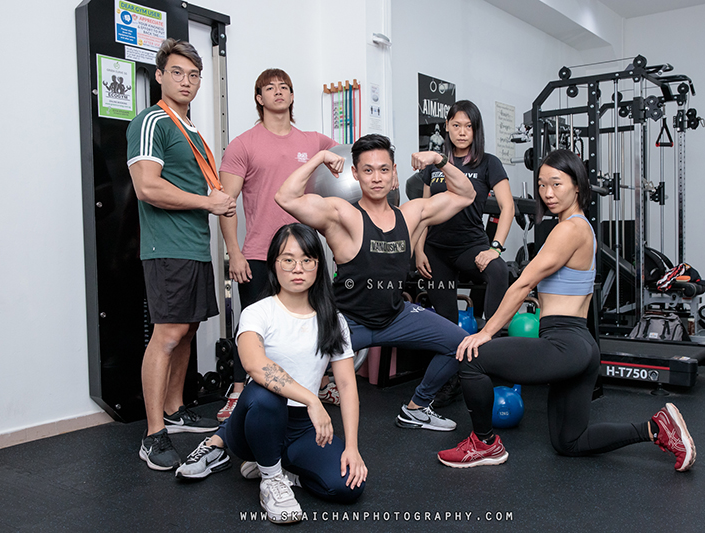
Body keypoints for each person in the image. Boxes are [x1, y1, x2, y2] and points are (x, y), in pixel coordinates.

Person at [437, 149, 696, 472]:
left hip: (564, 343)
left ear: (577, 185)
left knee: (472, 358)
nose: (547, 193)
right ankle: (657, 428)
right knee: (569, 442)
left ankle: (484, 444)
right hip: (580, 346)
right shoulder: (579, 227)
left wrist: (485, 332)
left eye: (556, 184)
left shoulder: (569, 229)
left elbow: (521, 285)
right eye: (542, 185)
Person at [275, 134, 476, 431]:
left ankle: (417, 408)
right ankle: (244, 439)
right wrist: (319, 158)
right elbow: (286, 198)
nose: (377, 178)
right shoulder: (342, 214)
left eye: (384, 169)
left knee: (460, 343)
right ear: (355, 174)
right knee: (284, 367)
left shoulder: (411, 214)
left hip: (395, 316)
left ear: (394, 172)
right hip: (347, 322)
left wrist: (440, 160)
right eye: (368, 170)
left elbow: (466, 195)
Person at [175, 224, 366, 524]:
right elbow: (254, 364)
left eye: (307, 259)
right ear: (274, 265)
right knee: (266, 393)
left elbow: (346, 385)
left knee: (349, 486)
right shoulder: (258, 312)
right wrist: (313, 400)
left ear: (318, 264)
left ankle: (283, 471)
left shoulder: (333, 320)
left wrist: (353, 448)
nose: (297, 268)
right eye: (287, 259)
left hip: (303, 428)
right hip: (255, 422)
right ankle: (269, 476)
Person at [127, 38, 234, 470]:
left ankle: (173, 411)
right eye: (177, 72)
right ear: (159, 75)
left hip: (193, 247)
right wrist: (209, 203)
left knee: (187, 330)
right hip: (166, 247)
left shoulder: (191, 131)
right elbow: (147, 187)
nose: (186, 81)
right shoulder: (152, 121)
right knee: (167, 334)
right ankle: (154, 435)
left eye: (193, 75)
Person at [217, 69, 339, 420]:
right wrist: (234, 252)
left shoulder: (314, 141)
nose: (278, 92)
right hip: (258, 252)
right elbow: (227, 202)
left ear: (292, 95)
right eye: (270, 88)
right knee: (252, 327)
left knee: (318, 317)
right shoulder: (243, 144)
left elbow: (353, 167)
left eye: (284, 87)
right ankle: (239, 391)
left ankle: (322, 381)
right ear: (259, 98)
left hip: (306, 251)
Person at [415, 100, 514, 326]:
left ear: (476, 130)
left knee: (499, 271)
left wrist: (495, 248)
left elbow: (508, 207)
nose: (462, 132)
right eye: (457, 125)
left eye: (468, 126)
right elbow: (424, 210)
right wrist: (419, 251)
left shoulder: (489, 163)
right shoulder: (435, 165)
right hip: (436, 251)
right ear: (447, 126)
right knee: (446, 321)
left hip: (470, 247)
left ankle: (491, 338)